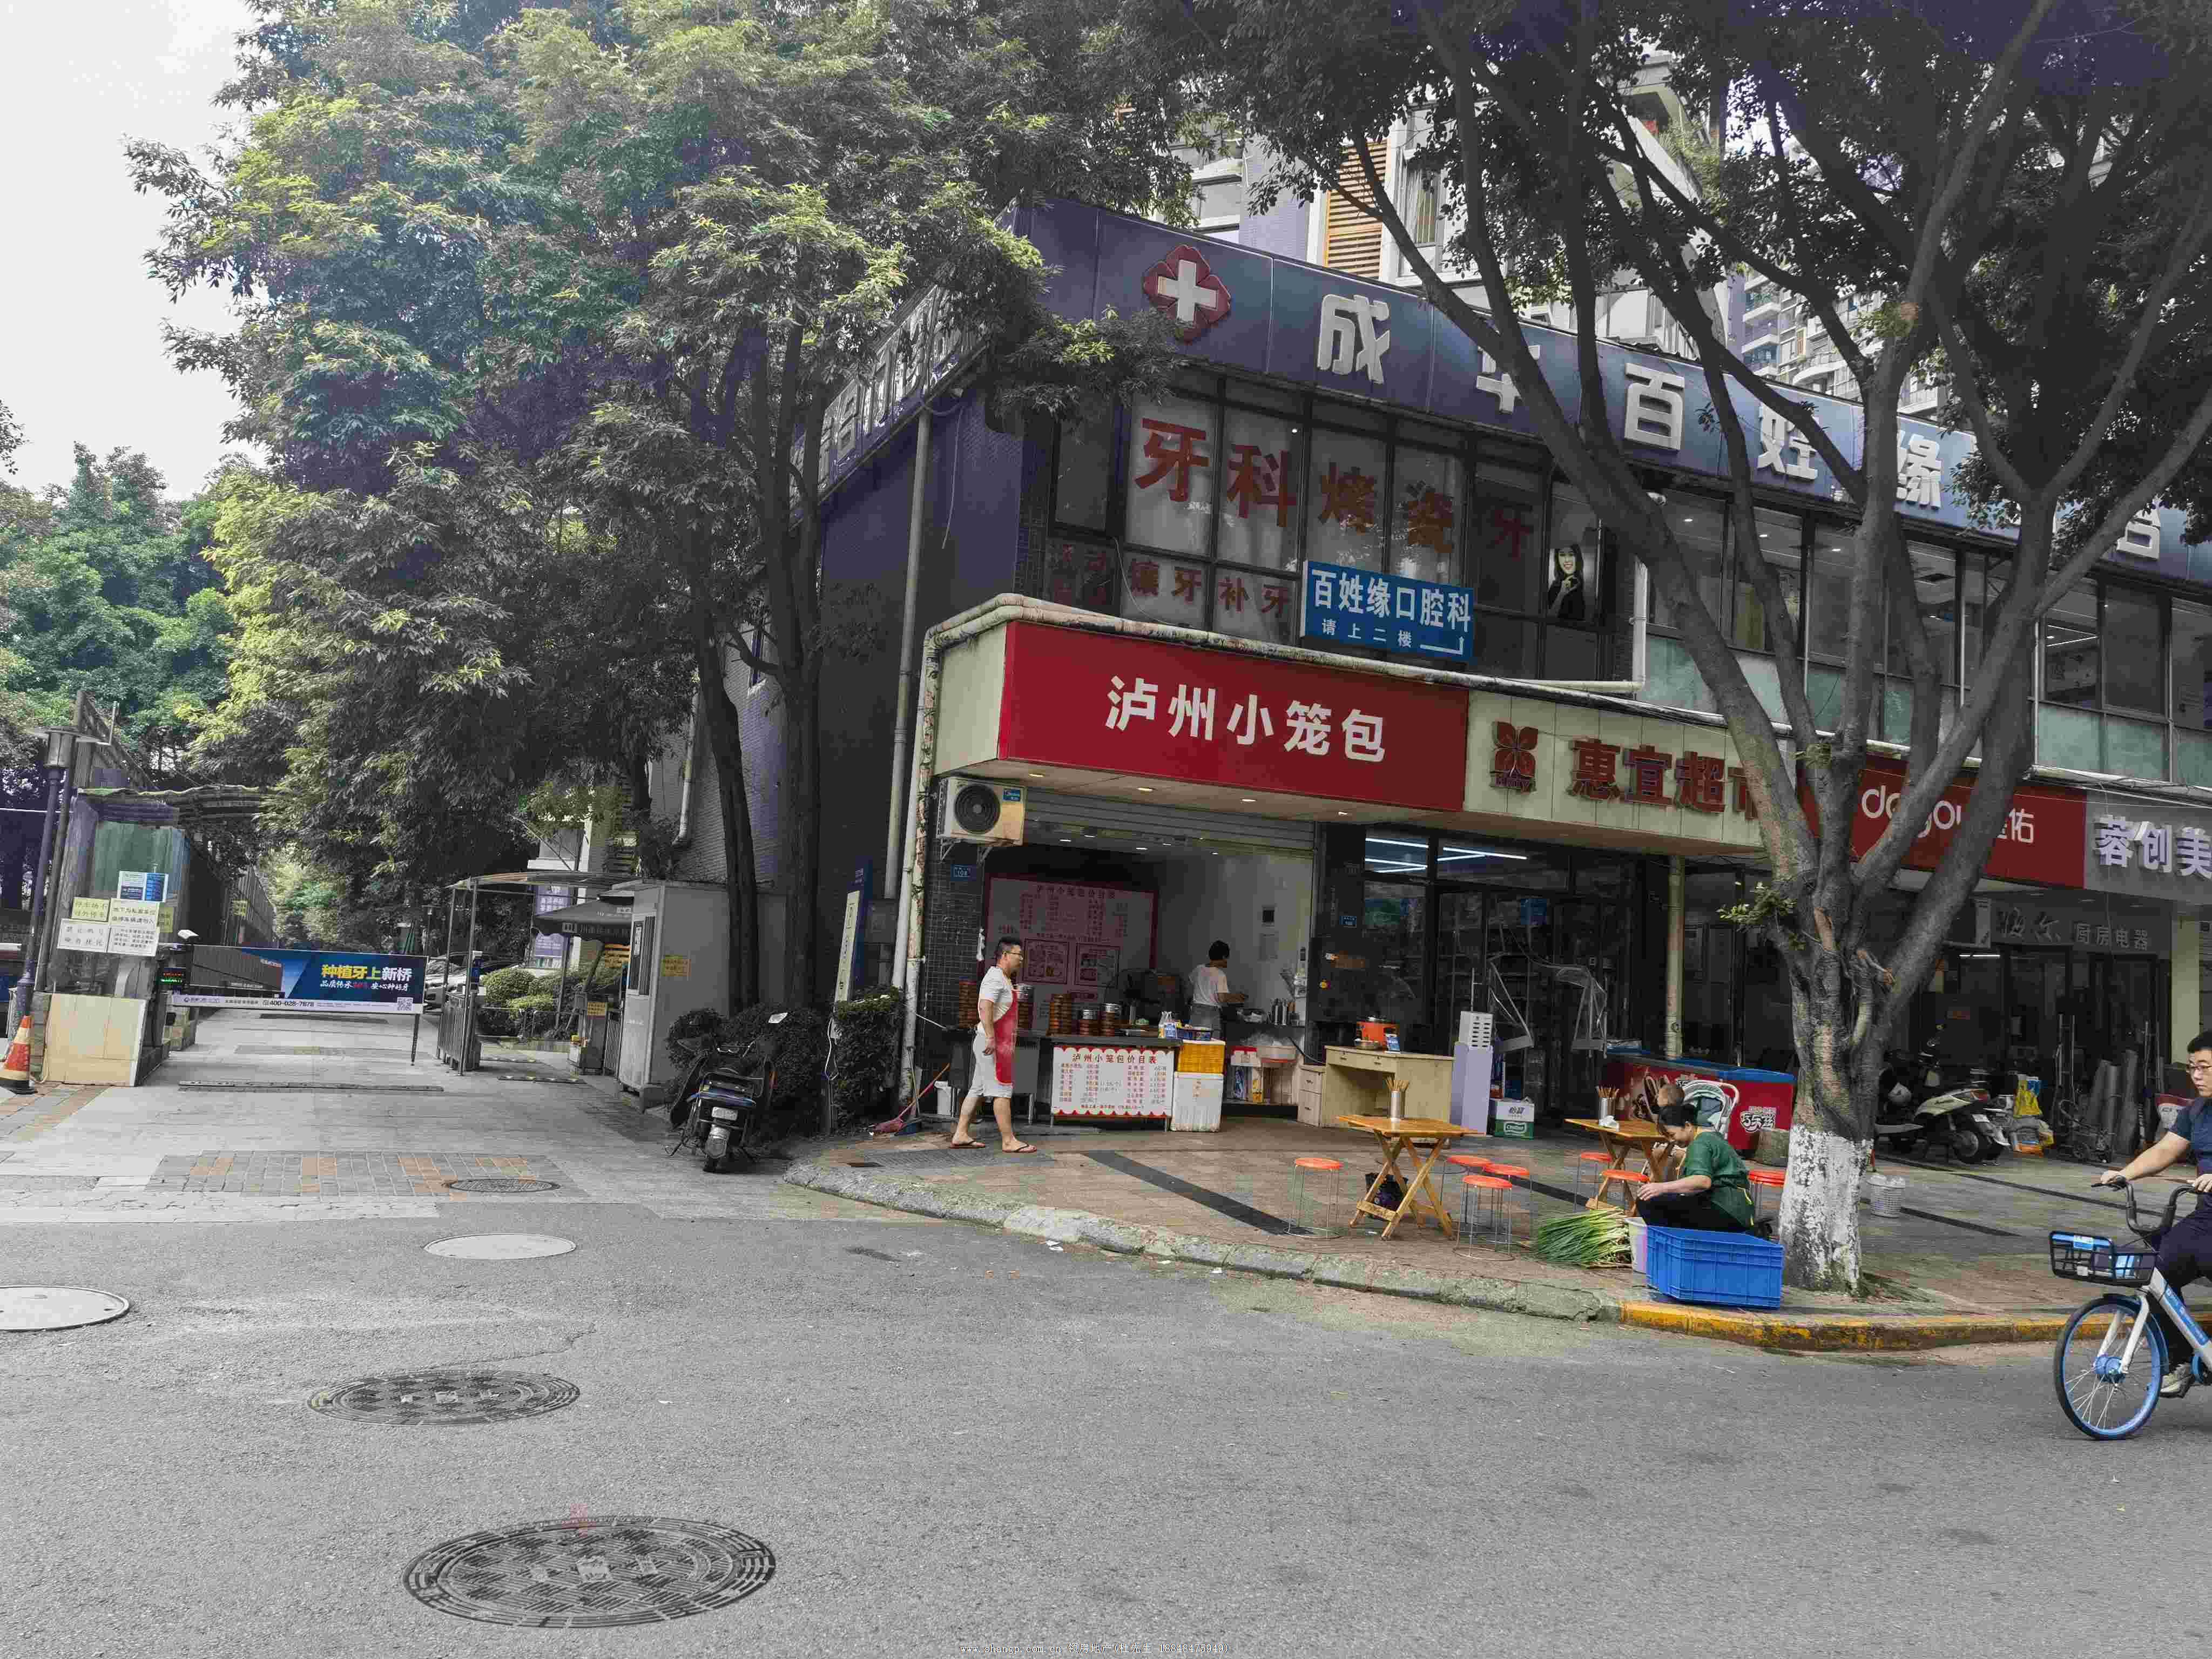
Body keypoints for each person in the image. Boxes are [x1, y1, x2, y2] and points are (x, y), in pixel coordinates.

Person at [2094, 1029, 2212, 1398]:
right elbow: (2166, 1151)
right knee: (2155, 1274)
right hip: (2207, 1219)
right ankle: (2182, 1360)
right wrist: (2125, 1174)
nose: (2196, 1075)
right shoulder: (2197, 1111)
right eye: (2192, 1067)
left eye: (2205, 1067)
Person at [949, 937, 1035, 1154]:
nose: (1021, 959)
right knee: (1002, 1090)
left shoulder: (1005, 979)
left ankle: (960, 1134)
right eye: (1018, 955)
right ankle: (1009, 1141)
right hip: (992, 1045)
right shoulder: (995, 978)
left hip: (997, 1044)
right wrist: (990, 1037)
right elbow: (984, 1006)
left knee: (977, 1090)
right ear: (1005, 955)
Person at [1635, 1097, 1755, 1233]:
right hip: (1738, 1210)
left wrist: (1662, 1187)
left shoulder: (1700, 1144)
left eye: (1672, 1135)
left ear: (1688, 1126)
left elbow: (1703, 1181)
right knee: (1669, 1200)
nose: (1671, 1140)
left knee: (1648, 1201)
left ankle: (1671, 1241)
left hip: (1727, 1210)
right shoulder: (1710, 1136)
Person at [1186, 940, 1244, 1035]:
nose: (1227, 961)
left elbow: (1190, 984)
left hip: (1196, 1011)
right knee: (1211, 1041)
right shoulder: (1220, 975)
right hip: (1210, 1014)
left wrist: (1194, 1000)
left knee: (1194, 1039)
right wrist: (1236, 997)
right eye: (1227, 959)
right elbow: (1222, 998)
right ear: (1224, 957)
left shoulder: (1199, 969)